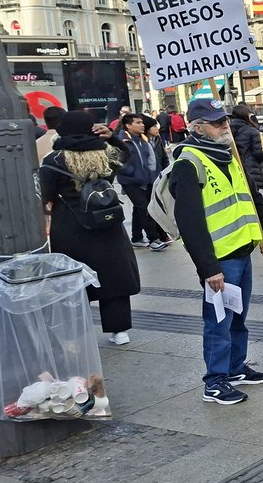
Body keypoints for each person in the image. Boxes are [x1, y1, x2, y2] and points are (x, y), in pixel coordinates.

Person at [170, 98, 263, 405]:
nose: (224, 127)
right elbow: (189, 222)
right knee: (218, 322)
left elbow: (254, 198)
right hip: (220, 260)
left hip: (241, 251)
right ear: (197, 127)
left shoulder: (230, 156)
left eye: (225, 121)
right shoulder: (188, 162)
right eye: (217, 123)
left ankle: (234, 368)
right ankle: (215, 382)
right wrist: (208, 268)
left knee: (238, 317)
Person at [40, 111, 140, 345]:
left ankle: (78, 333)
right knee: (113, 276)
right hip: (107, 222)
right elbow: (127, 154)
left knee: (73, 278)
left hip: (70, 226)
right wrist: (111, 137)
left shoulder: (54, 160)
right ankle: (119, 331)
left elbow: (45, 194)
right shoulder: (105, 153)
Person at [116, 112, 170, 251]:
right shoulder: (123, 141)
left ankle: (137, 237)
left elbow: (151, 160)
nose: (142, 125)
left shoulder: (143, 139)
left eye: (142, 123)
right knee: (144, 208)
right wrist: (132, 173)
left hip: (146, 180)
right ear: (128, 125)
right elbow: (118, 162)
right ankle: (154, 239)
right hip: (131, 181)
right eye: (138, 123)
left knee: (139, 208)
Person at [230, 104, 263, 193]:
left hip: (235, 167)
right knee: (254, 198)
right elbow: (257, 153)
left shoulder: (227, 130)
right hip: (251, 168)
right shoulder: (252, 131)